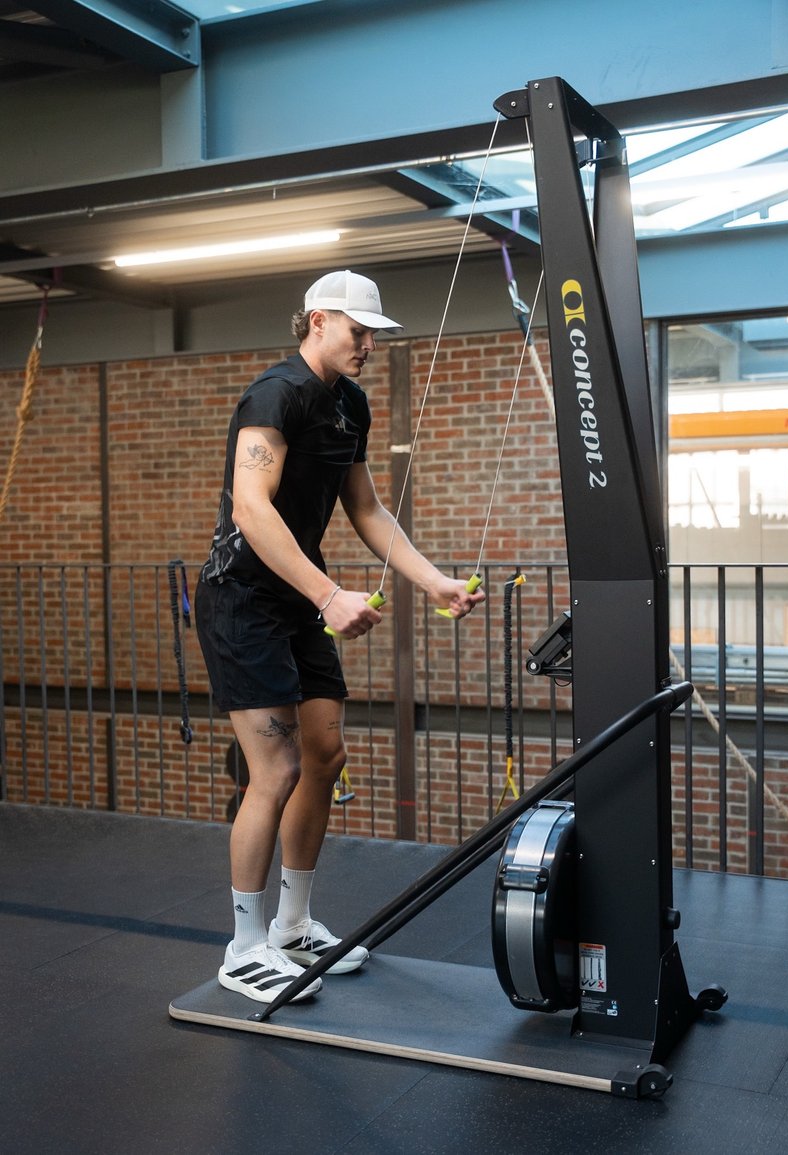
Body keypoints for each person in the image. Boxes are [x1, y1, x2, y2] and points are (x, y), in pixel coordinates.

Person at [194, 269, 484, 1005]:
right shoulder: (275, 395)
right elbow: (252, 509)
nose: (367, 346)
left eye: (373, 336)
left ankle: (292, 924)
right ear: (318, 321)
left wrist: (435, 580)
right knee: (278, 766)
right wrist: (328, 593)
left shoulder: (351, 404)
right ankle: (244, 945)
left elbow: (368, 507)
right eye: (358, 333)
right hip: (243, 597)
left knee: (325, 755)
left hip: (298, 597)